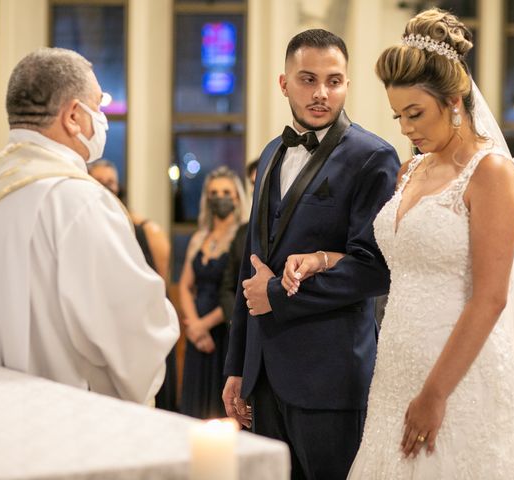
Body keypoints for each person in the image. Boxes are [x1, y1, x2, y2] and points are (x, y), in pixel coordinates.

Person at [285, 9, 514, 479]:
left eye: (416, 114)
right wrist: (323, 258)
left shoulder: (492, 173)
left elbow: (492, 298)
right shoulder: (412, 170)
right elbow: (404, 264)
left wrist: (435, 393)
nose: (406, 129)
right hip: (395, 367)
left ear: (454, 101)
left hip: (459, 377)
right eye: (398, 116)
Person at [222, 29, 400, 479]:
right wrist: (239, 366)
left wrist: (279, 296)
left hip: (331, 377)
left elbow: (375, 270)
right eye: (307, 79)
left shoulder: (373, 156)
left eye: (334, 80)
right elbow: (253, 265)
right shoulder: (269, 154)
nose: (322, 93)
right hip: (263, 374)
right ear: (283, 84)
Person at [0, 47, 179, 405]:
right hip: (55, 419)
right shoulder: (78, 201)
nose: (103, 120)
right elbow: (133, 332)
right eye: (99, 107)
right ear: (74, 116)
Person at [87, 158, 178, 411]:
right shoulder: (85, 228)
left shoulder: (146, 230)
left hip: (141, 329)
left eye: (111, 182)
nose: (106, 187)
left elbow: (161, 285)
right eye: (99, 182)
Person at [179, 166, 248, 418]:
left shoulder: (243, 236)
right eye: (214, 192)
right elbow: (186, 286)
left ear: (237, 197)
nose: (221, 197)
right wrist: (195, 327)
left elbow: (236, 291)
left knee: (219, 406)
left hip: (224, 328)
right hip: (197, 332)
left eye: (226, 192)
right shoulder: (200, 237)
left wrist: (205, 325)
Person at [219, 158, 259, 327]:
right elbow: (228, 286)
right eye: (253, 184)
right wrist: (235, 321)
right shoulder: (243, 232)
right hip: (243, 326)